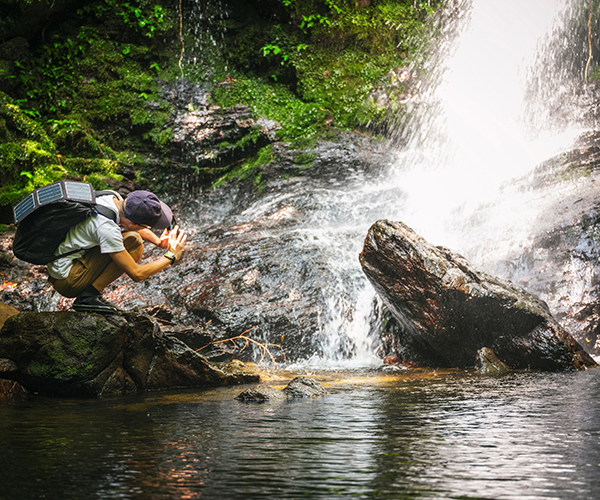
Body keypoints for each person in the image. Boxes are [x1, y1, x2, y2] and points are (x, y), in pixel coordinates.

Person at [47, 190, 187, 313]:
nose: (148, 228)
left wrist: (158, 242)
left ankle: (88, 295)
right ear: (134, 223)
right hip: (68, 281)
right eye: (148, 226)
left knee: (132, 238)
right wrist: (171, 255)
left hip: (63, 263)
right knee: (135, 243)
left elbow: (130, 224)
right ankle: (87, 297)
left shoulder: (112, 198)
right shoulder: (106, 228)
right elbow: (137, 274)